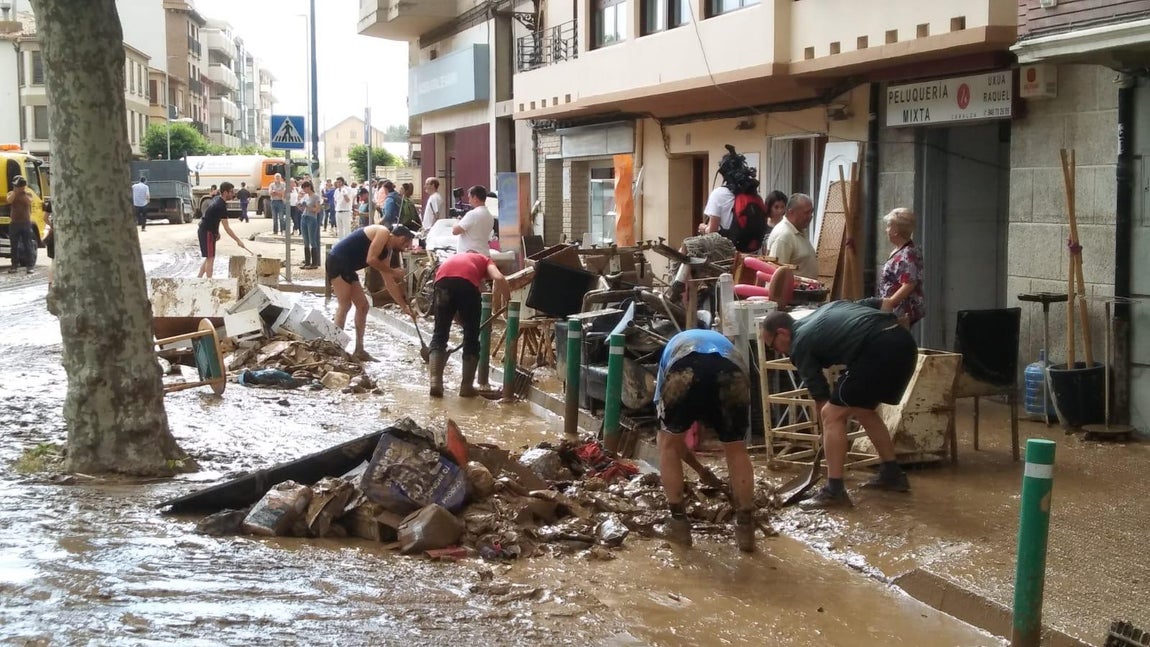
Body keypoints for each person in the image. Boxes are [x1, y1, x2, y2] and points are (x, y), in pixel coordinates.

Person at [758, 301, 916, 509]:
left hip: (878, 348)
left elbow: (820, 395)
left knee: (832, 415)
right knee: (863, 410)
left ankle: (834, 491)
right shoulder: (822, 311)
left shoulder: (799, 343)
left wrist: (827, 430)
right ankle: (892, 473)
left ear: (782, 332)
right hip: (903, 342)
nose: (777, 352)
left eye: (773, 346)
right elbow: (877, 302)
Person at [654, 328, 757, 552]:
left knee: (667, 444)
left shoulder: (670, 351)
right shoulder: (724, 343)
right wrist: (701, 470)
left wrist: (699, 469)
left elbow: (673, 444)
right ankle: (746, 528)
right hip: (732, 369)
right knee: (737, 448)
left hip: (685, 366)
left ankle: (678, 523)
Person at [325, 224, 415, 361]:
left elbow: (389, 282)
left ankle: (359, 349)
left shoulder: (387, 251)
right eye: (406, 244)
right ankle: (335, 348)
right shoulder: (383, 232)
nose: (405, 248)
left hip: (349, 266)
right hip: (337, 260)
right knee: (345, 305)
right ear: (402, 238)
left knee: (363, 306)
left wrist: (404, 306)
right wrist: (393, 271)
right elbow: (371, 259)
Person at [428, 251, 510, 398]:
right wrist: (509, 301)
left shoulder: (455, 258)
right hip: (466, 285)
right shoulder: (485, 259)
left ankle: (435, 382)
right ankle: (466, 387)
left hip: (441, 282)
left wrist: (462, 320)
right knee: (471, 337)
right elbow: (499, 277)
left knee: (440, 334)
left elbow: (451, 307)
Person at [878, 208, 925, 329]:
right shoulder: (899, 250)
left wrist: (890, 303)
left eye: (888, 226)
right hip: (893, 311)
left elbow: (909, 284)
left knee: (896, 344)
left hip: (901, 312)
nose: (886, 230)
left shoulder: (907, 253)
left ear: (896, 231)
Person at [197, 182, 249, 278]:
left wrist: (216, 232)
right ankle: (209, 282)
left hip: (207, 231)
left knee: (209, 257)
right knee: (210, 258)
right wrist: (238, 240)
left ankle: (199, 278)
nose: (233, 194)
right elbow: (227, 228)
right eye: (231, 192)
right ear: (225, 192)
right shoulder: (221, 206)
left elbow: (212, 218)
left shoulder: (218, 200)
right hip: (207, 232)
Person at [766, 193, 819, 280]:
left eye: (811, 212)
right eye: (806, 212)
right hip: (791, 292)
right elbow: (776, 275)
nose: (810, 216)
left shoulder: (798, 230)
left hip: (805, 291)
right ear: (791, 212)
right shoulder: (784, 235)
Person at [6, 176, 36, 274]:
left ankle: (30, 266)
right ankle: (14, 265)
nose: (19, 188)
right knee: (14, 245)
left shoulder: (28, 194)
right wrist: (15, 192)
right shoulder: (11, 193)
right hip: (14, 223)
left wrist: (22, 192)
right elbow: (9, 200)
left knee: (28, 244)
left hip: (26, 223)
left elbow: (28, 201)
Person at [453, 185, 494, 255]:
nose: (469, 201)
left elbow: (455, 231)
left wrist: (457, 221)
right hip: (484, 254)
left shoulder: (472, 214)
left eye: (469, 198)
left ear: (475, 198)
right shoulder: (489, 216)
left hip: (470, 256)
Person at [299, 180, 323, 270]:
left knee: (312, 240)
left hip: (311, 218)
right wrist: (300, 206)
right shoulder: (305, 196)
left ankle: (314, 263)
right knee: (305, 240)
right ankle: (307, 262)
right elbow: (302, 208)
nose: (304, 190)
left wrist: (308, 207)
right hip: (304, 217)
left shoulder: (316, 197)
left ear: (309, 187)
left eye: (305, 188)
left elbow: (317, 210)